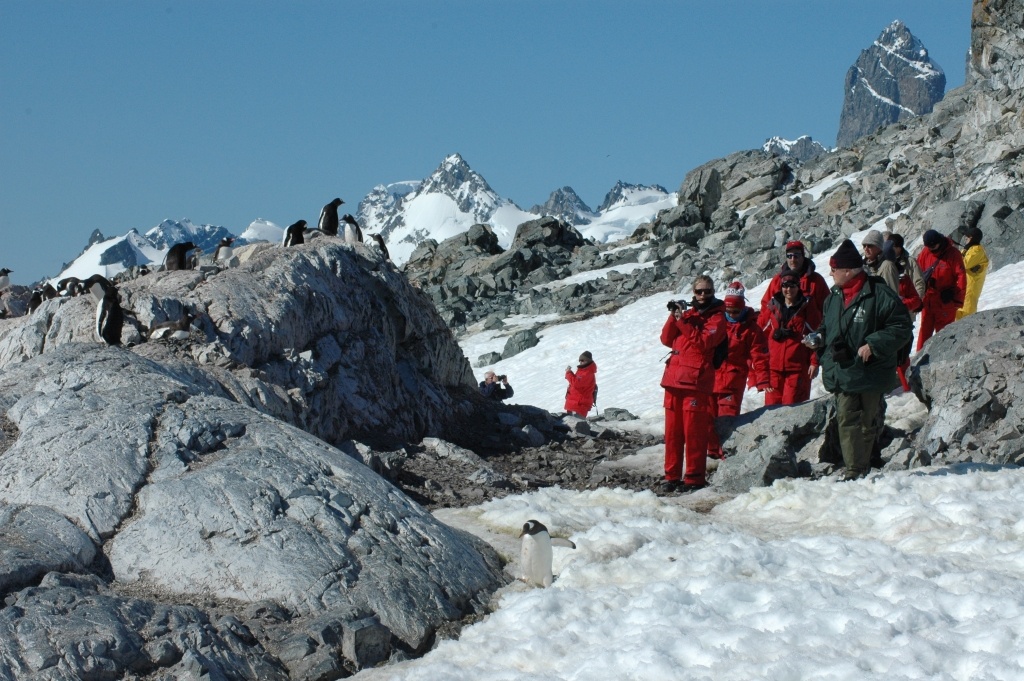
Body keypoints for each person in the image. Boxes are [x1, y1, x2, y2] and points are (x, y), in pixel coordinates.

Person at [805, 239, 912, 480]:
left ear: (848, 271)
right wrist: (818, 338)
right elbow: (827, 326)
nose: (830, 273)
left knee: (858, 419)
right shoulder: (833, 296)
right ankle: (860, 466)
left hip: (868, 370)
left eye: (834, 269)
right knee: (851, 417)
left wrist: (874, 343)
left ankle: (856, 469)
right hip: (843, 368)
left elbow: (901, 326)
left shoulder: (879, 294)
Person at [658, 276, 726, 494]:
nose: (703, 295)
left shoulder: (717, 318)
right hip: (674, 380)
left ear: (713, 291)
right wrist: (673, 316)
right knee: (672, 433)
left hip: (696, 382)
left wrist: (682, 321)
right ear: (693, 292)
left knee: (694, 433)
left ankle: (695, 477)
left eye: (707, 291)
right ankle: (672, 476)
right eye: (699, 292)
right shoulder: (688, 315)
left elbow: (703, 343)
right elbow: (666, 339)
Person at [707, 282, 769, 459]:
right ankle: (710, 455)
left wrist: (763, 379)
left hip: (732, 382)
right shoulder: (716, 322)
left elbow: (760, 355)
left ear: (742, 308)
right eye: (728, 311)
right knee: (708, 420)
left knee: (727, 421)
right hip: (711, 380)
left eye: (735, 311)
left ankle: (726, 455)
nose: (731, 315)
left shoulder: (751, 329)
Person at [758, 267, 822, 405]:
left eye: (792, 286)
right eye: (785, 286)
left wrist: (814, 362)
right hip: (774, 369)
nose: (789, 290)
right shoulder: (773, 305)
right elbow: (759, 336)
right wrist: (762, 371)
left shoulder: (806, 307)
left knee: (793, 407)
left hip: (797, 369)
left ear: (798, 286)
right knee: (771, 410)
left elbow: (817, 336)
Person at [916, 229, 967, 351]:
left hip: (945, 302)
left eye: (933, 246)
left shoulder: (953, 254)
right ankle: (918, 361)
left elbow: (961, 276)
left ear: (940, 241)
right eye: (929, 247)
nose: (931, 249)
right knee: (924, 334)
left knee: (944, 335)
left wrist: (957, 300)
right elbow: (917, 273)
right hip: (928, 300)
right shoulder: (925, 252)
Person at [760, 240, 830, 318]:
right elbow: (765, 307)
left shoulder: (816, 280)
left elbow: (828, 308)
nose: (793, 259)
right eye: (789, 256)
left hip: (810, 328)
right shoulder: (777, 280)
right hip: (781, 328)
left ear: (803, 256)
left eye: (796, 255)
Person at [885, 233, 926, 315]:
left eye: (891, 246)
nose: (887, 248)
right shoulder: (884, 262)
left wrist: (915, 303)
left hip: (906, 308)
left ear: (899, 248)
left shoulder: (910, 262)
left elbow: (919, 282)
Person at [956, 227, 989, 320]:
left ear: (972, 238)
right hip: (964, 287)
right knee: (958, 313)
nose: (965, 239)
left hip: (970, 288)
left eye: (967, 237)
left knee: (967, 313)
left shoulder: (977, 250)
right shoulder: (969, 249)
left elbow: (963, 264)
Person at [564, 351, 598, 417]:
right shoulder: (583, 371)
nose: (580, 362)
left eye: (582, 360)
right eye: (580, 360)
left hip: (579, 405)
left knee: (577, 425)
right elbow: (576, 381)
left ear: (588, 361)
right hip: (574, 403)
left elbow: (576, 383)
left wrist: (568, 373)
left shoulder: (587, 373)